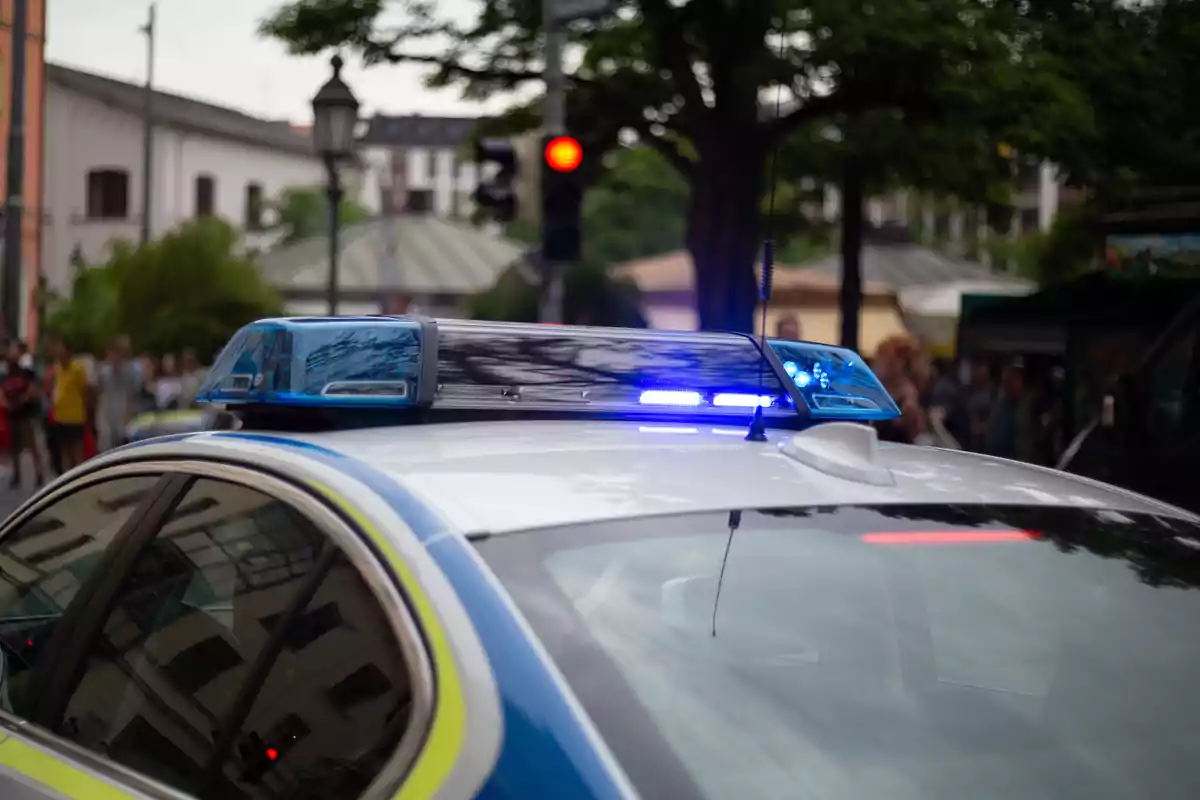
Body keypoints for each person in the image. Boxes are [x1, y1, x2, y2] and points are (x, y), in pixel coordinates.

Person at [0, 340, 45, 487]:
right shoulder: (4, 374)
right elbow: (1, 392)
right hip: (12, 415)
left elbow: (32, 389)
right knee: (14, 447)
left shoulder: (26, 372)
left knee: (32, 446)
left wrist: (21, 401)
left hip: (26, 414)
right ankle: (16, 475)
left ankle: (39, 474)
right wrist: (7, 404)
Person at [49, 337, 90, 472]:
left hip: (75, 416)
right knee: (65, 451)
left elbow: (85, 391)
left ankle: (81, 475)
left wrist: (87, 411)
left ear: (67, 351)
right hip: (60, 416)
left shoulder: (77, 368)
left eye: (60, 349)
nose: (58, 352)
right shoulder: (57, 367)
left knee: (77, 451)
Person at [96, 335, 142, 451]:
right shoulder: (103, 371)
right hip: (107, 413)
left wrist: (129, 414)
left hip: (122, 412)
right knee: (106, 447)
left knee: (122, 446)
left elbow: (132, 395)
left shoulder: (131, 371)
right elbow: (100, 392)